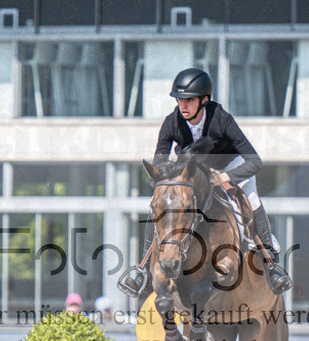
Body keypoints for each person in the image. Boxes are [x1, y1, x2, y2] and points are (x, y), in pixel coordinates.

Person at [117, 67, 292, 297]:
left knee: (253, 200)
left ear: (204, 100)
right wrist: (164, 181)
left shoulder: (222, 120)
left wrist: (227, 177)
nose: (183, 106)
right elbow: (160, 163)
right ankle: (143, 268)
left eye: (189, 101)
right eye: (180, 100)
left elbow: (255, 161)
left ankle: (272, 265)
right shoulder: (172, 122)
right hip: (191, 175)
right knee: (160, 203)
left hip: (229, 167)